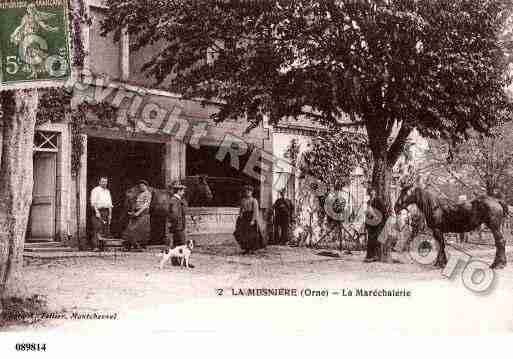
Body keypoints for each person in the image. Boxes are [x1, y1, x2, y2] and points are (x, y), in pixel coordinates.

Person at [234, 184, 265, 254]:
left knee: (251, 235)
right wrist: (240, 216)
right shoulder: (243, 200)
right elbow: (241, 209)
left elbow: (255, 211)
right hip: (244, 218)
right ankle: (246, 248)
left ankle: (252, 249)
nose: (247, 192)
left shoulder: (254, 200)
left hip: (251, 218)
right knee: (243, 234)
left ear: (252, 192)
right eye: (246, 191)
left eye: (249, 191)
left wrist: (253, 220)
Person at [123, 180, 152, 250]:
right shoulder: (140, 194)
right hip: (137, 213)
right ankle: (129, 245)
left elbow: (146, 205)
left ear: (146, 186)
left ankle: (139, 246)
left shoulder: (148, 194)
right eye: (140, 186)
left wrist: (138, 213)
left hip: (143, 213)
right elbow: (136, 204)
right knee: (130, 229)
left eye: (143, 186)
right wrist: (133, 212)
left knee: (139, 230)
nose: (141, 187)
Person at [90, 176, 113, 250]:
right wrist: (97, 212)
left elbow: (110, 204)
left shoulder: (107, 191)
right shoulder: (95, 190)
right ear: (99, 182)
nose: (104, 183)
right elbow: (93, 202)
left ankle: (102, 246)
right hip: (98, 210)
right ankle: (95, 246)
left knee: (105, 228)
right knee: (97, 227)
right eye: (103, 181)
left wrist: (110, 215)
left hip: (106, 211)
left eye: (106, 182)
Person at [364, 187, 386, 262]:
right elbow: (367, 212)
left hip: (377, 223)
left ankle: (376, 256)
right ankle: (369, 256)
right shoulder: (368, 202)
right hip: (370, 223)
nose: (371, 193)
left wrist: (378, 217)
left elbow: (383, 211)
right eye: (370, 192)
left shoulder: (378, 200)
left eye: (372, 191)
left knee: (376, 239)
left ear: (375, 192)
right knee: (370, 239)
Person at [168, 181, 188, 249]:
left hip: (178, 226)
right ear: (179, 191)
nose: (183, 193)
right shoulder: (174, 200)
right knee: (182, 245)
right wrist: (179, 226)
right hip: (178, 226)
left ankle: (176, 259)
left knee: (176, 245)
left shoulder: (177, 200)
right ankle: (178, 259)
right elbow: (175, 214)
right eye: (182, 191)